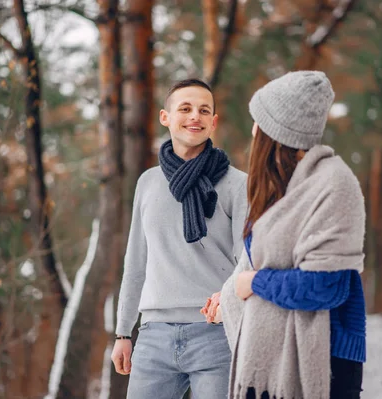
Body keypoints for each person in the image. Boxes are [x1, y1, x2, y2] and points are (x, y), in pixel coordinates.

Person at [208, 71, 366, 399]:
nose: (253, 130)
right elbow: (254, 262)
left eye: (259, 121)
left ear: (276, 133)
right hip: (267, 353)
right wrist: (229, 295)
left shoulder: (335, 184)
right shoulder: (277, 188)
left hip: (326, 357)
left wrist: (253, 285)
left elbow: (326, 287)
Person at [111, 78, 248, 399]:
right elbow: (136, 262)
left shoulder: (237, 184)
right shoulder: (147, 183)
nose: (194, 117)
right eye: (185, 109)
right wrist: (122, 333)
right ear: (165, 117)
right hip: (153, 336)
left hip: (216, 333)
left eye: (204, 111)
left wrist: (230, 306)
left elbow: (248, 260)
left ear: (213, 122)